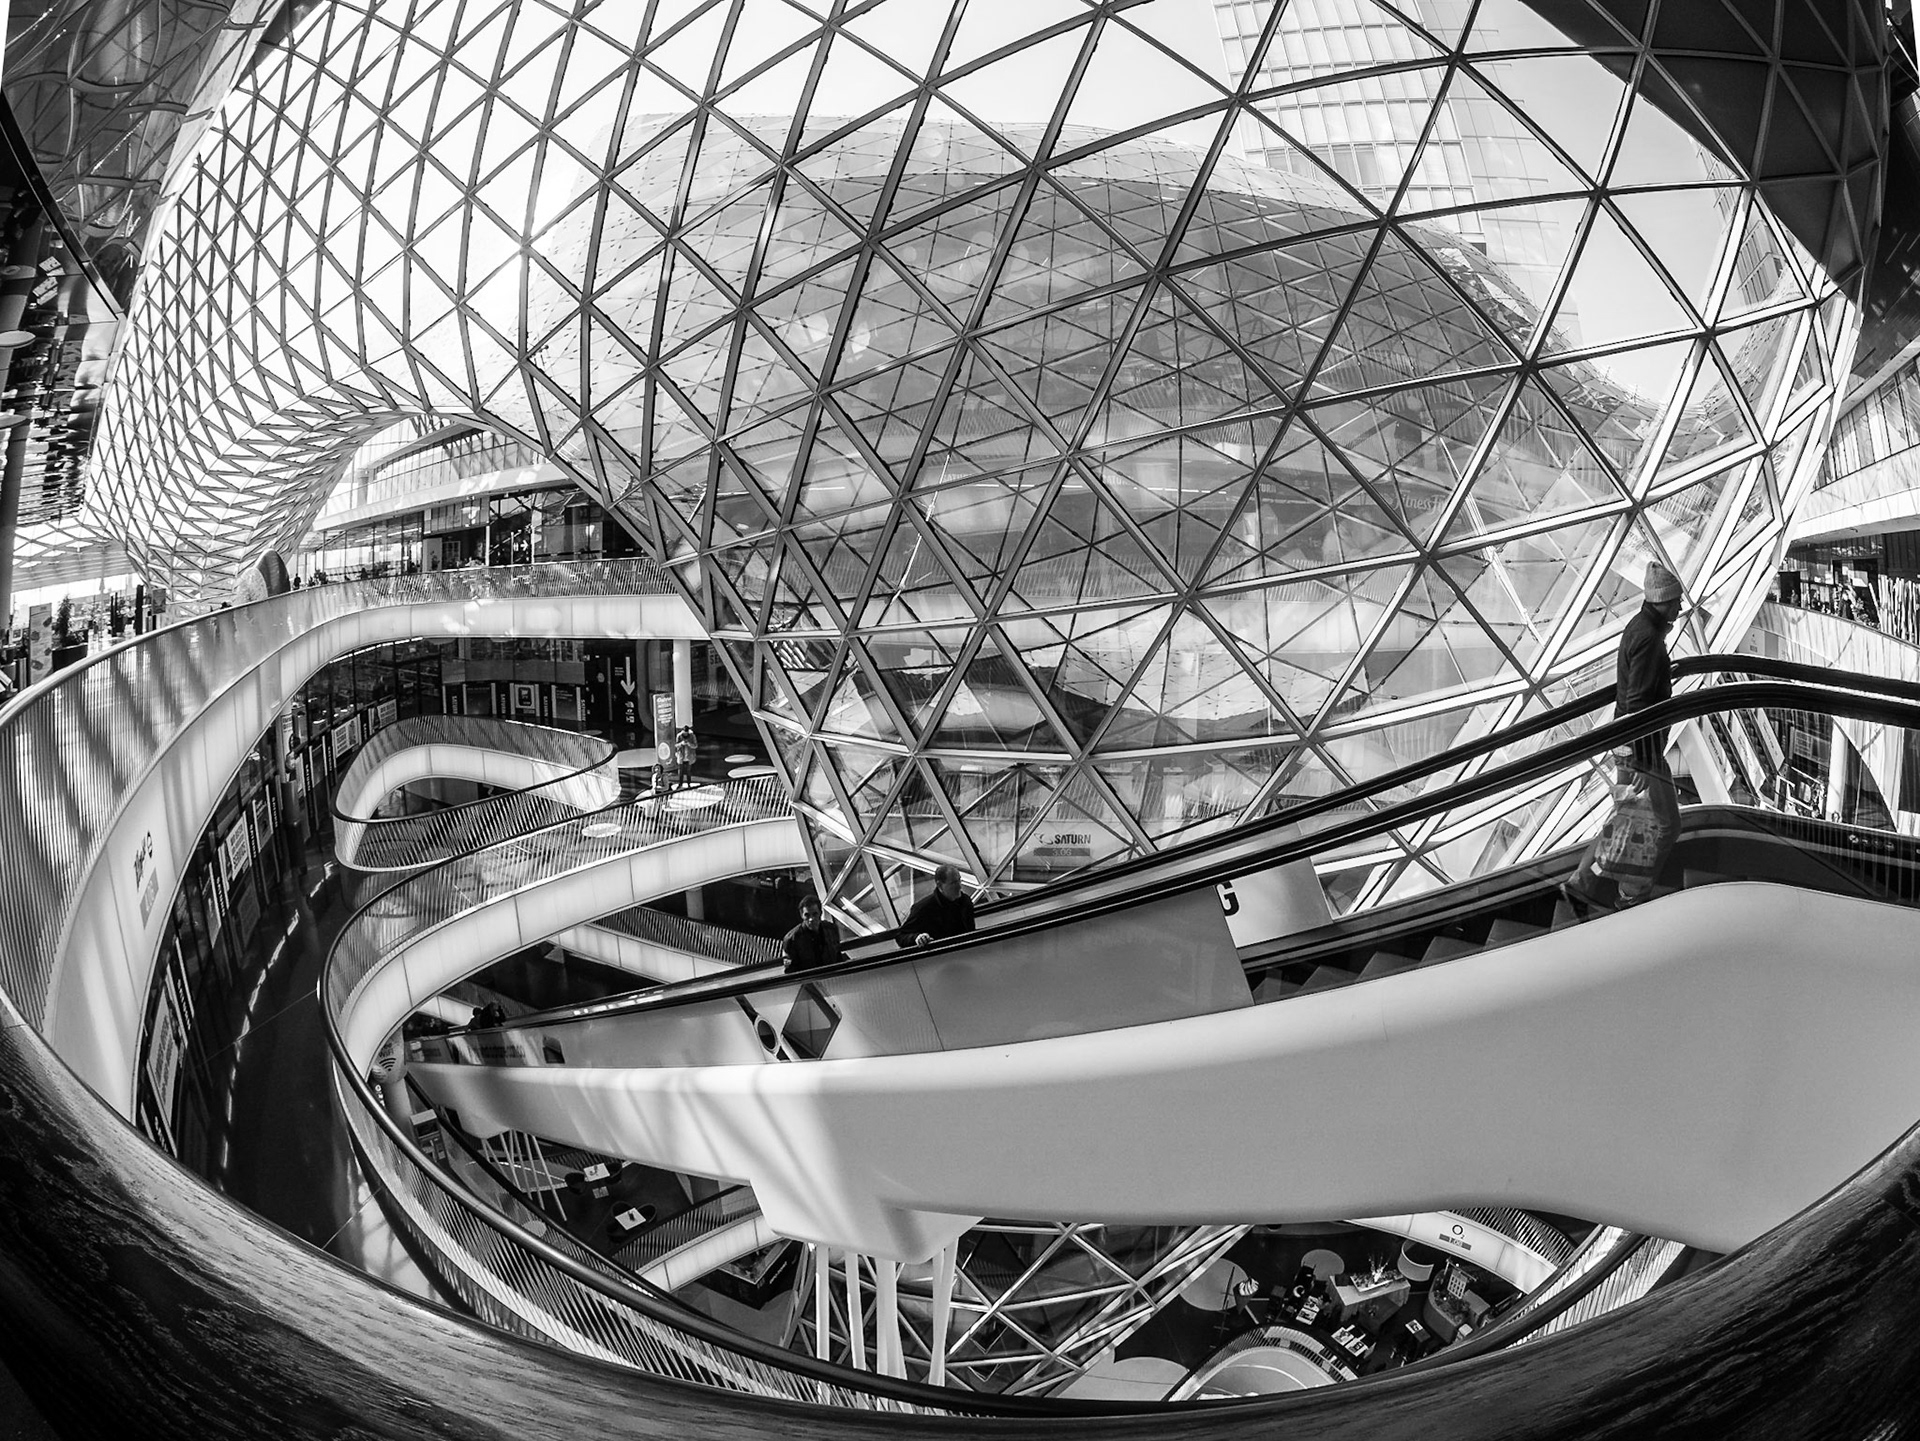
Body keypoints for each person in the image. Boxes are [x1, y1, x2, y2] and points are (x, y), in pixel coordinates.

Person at [1563, 560, 1684, 913]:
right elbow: (1639, 702)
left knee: (1629, 819)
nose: (1679, 607)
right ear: (1663, 599)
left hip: (1631, 747)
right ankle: (1630, 896)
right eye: (1676, 601)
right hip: (1639, 750)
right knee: (1660, 824)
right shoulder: (1648, 637)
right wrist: (1644, 762)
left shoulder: (1641, 627)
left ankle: (1580, 886)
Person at [899, 863, 976, 949]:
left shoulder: (965, 901)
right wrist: (916, 937)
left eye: (959, 881)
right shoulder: (923, 908)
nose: (959, 886)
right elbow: (901, 936)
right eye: (954, 883)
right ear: (940, 885)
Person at [782, 894, 842, 973]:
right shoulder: (792, 939)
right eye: (807, 915)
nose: (811, 919)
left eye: (815, 914)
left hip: (832, 977)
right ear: (802, 916)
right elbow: (790, 971)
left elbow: (838, 957)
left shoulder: (831, 930)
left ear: (820, 913)